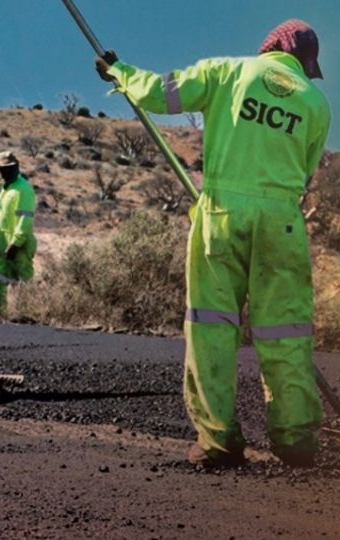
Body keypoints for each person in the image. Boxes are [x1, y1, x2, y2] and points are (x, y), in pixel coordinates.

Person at [95, 20, 331, 467]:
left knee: (212, 327)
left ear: (270, 47)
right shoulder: (316, 102)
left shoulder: (227, 71)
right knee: (286, 331)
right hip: (282, 220)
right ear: (305, 62)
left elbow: (161, 94)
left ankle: (218, 441)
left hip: (222, 215)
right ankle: (296, 439)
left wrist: (118, 71)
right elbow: (304, 171)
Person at [0, 150, 37, 317]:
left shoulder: (23, 189)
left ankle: (28, 313)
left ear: (17, 166)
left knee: (22, 279)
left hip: (18, 245)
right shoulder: (5, 188)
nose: (8, 171)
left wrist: (16, 243)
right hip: (1, 242)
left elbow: (25, 218)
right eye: (4, 169)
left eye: (11, 167)